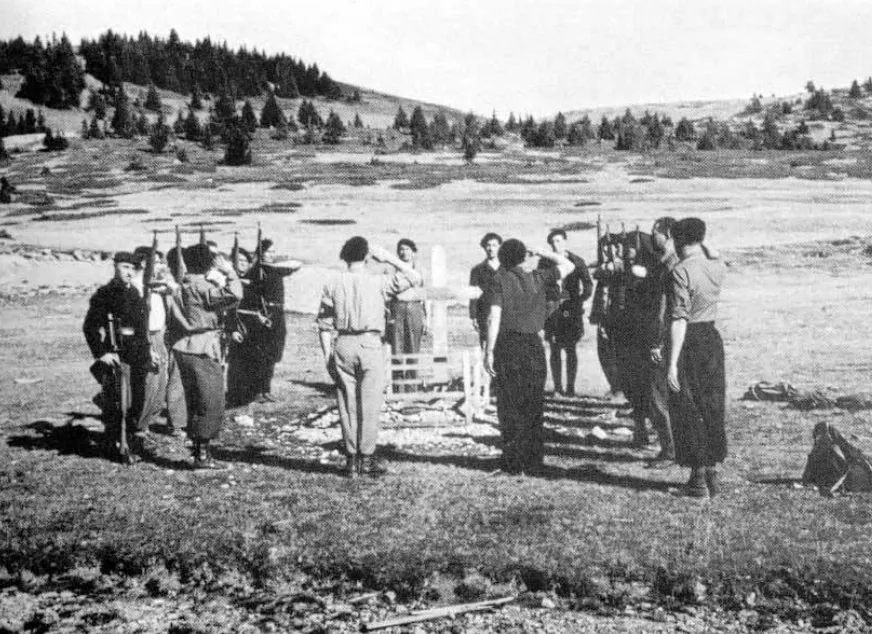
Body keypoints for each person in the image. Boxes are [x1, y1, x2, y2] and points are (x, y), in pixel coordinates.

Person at [317, 237, 421, 477]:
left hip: (342, 343)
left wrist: (327, 357)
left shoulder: (332, 282)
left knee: (347, 403)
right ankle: (366, 458)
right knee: (370, 403)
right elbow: (414, 277)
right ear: (367, 256)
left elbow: (323, 325)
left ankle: (351, 460)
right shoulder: (378, 282)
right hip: (370, 343)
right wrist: (387, 257)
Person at [484, 238, 574, 475]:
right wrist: (543, 252)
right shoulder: (539, 276)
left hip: (508, 346)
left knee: (509, 406)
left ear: (502, 257)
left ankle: (512, 462)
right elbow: (568, 265)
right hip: (534, 346)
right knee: (533, 406)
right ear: (524, 257)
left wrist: (488, 351)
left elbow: (494, 316)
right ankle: (534, 461)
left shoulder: (499, 279)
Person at [667, 218, 727, 497]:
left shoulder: (680, 271)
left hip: (689, 341)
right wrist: (702, 239)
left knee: (687, 407)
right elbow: (714, 253)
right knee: (712, 405)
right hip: (712, 340)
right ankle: (712, 472)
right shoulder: (716, 265)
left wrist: (671, 365)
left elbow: (679, 319)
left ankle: (697, 480)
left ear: (678, 241)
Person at [172, 244, 243, 469]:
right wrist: (230, 272)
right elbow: (234, 295)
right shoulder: (202, 286)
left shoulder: (183, 284)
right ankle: (202, 455)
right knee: (211, 401)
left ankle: (199, 450)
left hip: (185, 345)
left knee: (195, 400)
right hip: (203, 346)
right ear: (209, 263)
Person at [83, 251, 150, 460]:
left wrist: (149, 351)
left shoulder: (136, 294)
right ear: (115, 267)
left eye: (133, 268)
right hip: (115, 351)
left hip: (137, 353)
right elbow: (90, 326)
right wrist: (101, 353)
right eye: (125, 267)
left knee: (137, 400)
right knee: (117, 401)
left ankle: (130, 440)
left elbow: (141, 328)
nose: (129, 272)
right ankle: (116, 443)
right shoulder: (105, 293)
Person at [538, 229, 593, 397]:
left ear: (565, 241)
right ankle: (557, 388)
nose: (556, 244)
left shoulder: (576, 261)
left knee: (570, 348)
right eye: (553, 242)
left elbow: (588, 285)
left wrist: (579, 301)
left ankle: (570, 387)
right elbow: (539, 285)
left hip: (571, 311)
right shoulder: (545, 263)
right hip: (553, 310)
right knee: (554, 348)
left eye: (559, 241)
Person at [246, 238, 301, 403]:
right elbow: (251, 295)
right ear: (261, 252)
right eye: (269, 251)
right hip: (264, 313)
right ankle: (257, 390)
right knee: (262, 353)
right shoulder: (256, 271)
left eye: (273, 252)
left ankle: (266, 389)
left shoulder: (274, 269)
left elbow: (296, 265)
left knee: (274, 352)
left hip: (278, 312)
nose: (272, 254)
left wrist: (270, 265)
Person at [644, 217, 680, 464]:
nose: (651, 236)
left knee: (659, 397)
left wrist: (656, 342)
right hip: (674, 338)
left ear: (666, 235)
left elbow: (661, 310)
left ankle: (669, 450)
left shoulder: (667, 267)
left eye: (654, 232)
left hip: (664, 339)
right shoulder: (675, 263)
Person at [131, 246, 178, 437]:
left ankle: (148, 419)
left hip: (158, 333)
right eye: (157, 262)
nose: (161, 265)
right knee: (150, 380)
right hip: (146, 336)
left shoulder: (154, 284)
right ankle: (141, 423)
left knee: (159, 380)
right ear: (144, 263)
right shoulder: (137, 285)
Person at [387, 238, 426, 354]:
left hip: (415, 308)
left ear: (413, 252)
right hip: (397, 307)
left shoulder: (420, 270)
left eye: (407, 249)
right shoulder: (392, 271)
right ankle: (398, 372)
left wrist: (426, 317)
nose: (404, 252)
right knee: (397, 345)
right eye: (401, 249)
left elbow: (424, 295)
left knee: (413, 347)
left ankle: (412, 372)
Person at [468, 232, 502, 346]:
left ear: (500, 247)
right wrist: (473, 316)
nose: (491, 248)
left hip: (505, 313)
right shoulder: (477, 270)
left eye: (494, 245)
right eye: (488, 245)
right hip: (484, 312)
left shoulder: (507, 268)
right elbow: (472, 294)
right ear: (484, 247)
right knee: (486, 346)